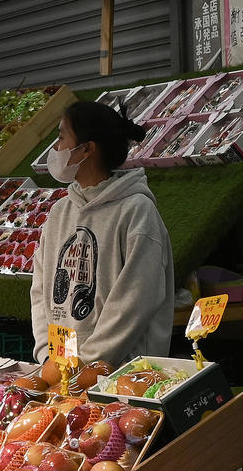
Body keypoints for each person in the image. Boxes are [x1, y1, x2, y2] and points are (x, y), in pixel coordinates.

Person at [30, 100, 174, 367]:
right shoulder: (59, 212)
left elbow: (135, 301)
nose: (55, 149)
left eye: (61, 138)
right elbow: (41, 290)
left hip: (121, 372)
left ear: (87, 149)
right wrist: (49, 355)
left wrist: (88, 363)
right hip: (62, 367)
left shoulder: (137, 211)